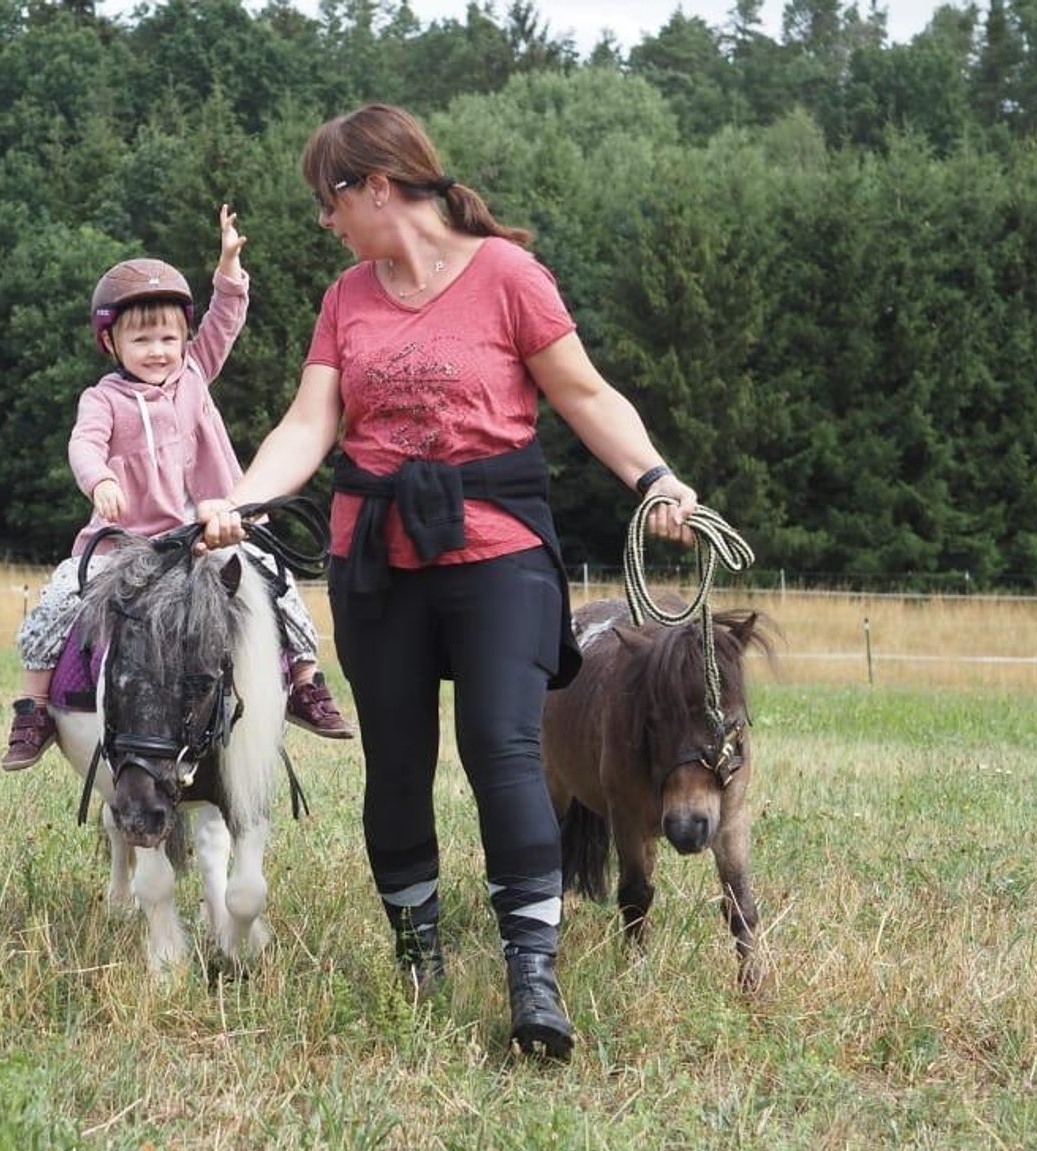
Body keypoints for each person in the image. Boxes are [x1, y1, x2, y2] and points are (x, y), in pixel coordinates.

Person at [194, 104, 701, 1061]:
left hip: (497, 549)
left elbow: (585, 393)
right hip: (377, 553)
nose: (326, 220)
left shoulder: (510, 276)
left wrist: (656, 477)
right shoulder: (348, 296)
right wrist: (243, 499)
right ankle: (417, 955)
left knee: (503, 750)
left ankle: (532, 976)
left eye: (329, 199)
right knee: (395, 762)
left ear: (378, 186)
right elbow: (311, 422)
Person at [0, 204, 354, 770]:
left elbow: (226, 320)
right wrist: (101, 478)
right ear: (110, 343)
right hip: (125, 547)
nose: (159, 350)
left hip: (208, 532)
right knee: (59, 599)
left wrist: (229, 269)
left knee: (277, 582)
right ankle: (35, 708)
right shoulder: (103, 400)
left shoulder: (193, 372)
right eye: (141, 340)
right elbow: (83, 445)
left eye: (169, 337)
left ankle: (305, 684)